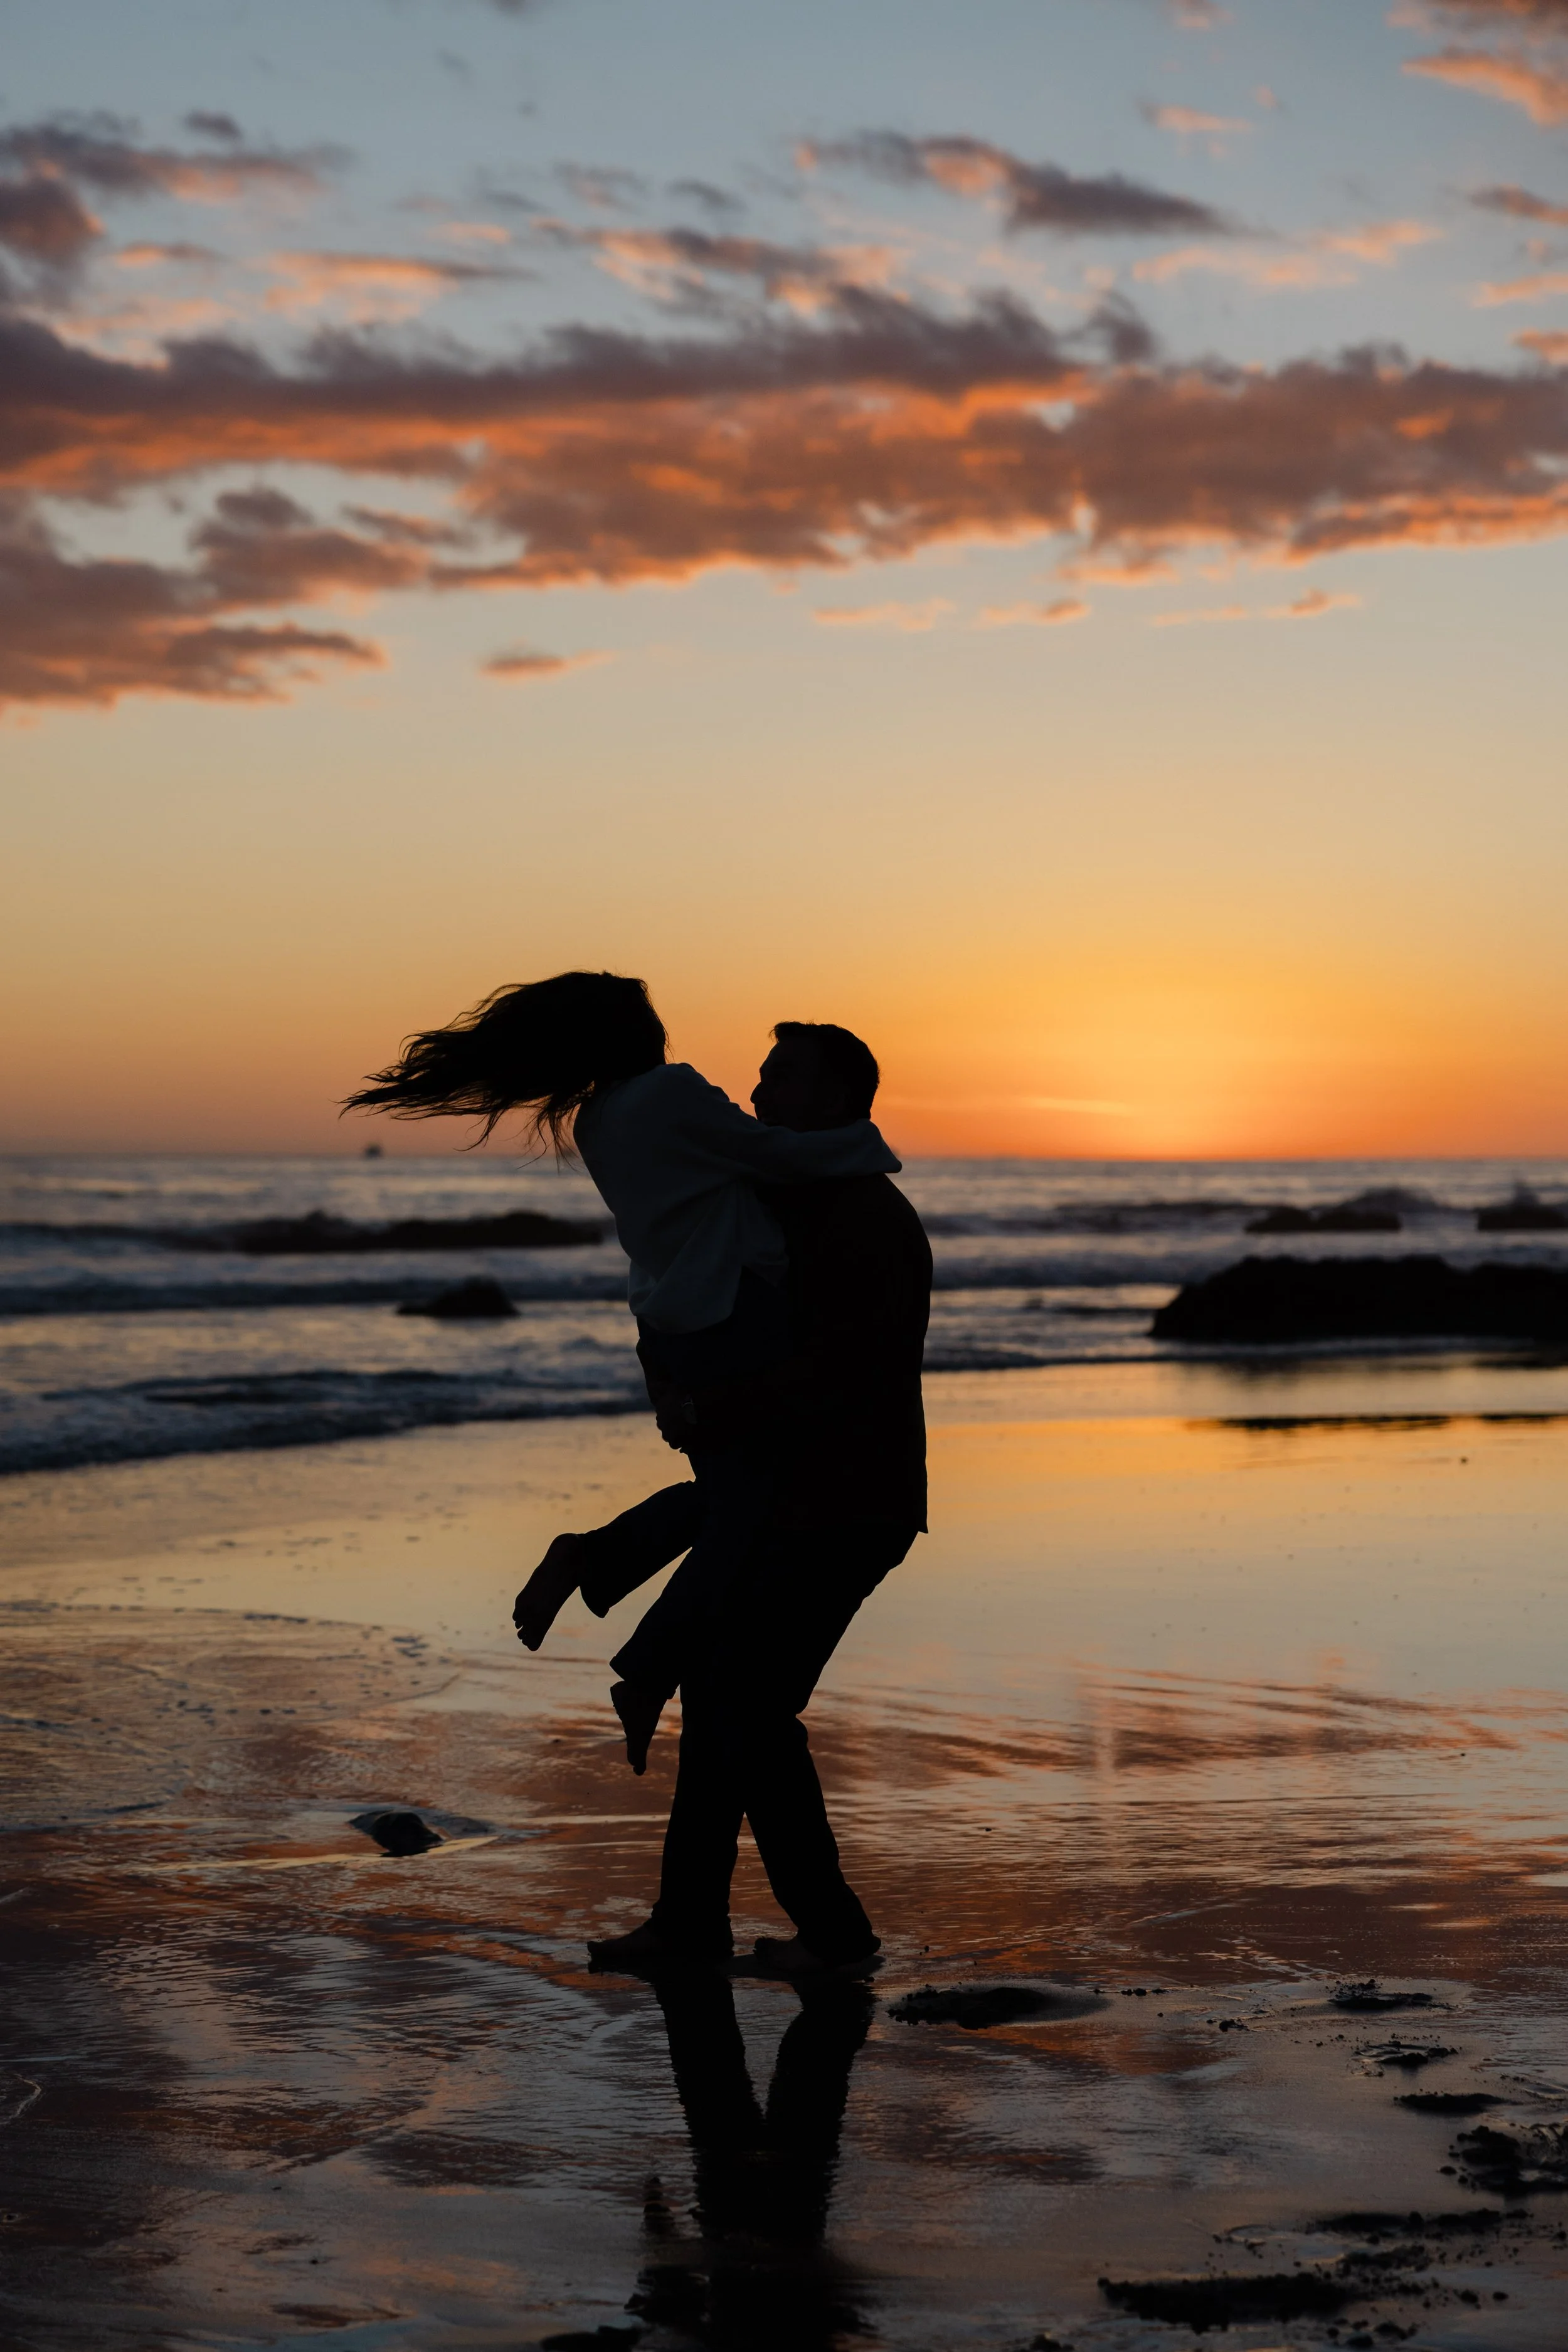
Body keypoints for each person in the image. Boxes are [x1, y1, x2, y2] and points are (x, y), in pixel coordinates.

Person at [347, 973, 899, 1759]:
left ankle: (597, 1567)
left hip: (676, 1324)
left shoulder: (599, 1117)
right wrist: (871, 1151)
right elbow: (769, 1153)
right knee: (752, 1506)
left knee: (733, 1496)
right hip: (730, 1316)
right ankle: (643, 1664)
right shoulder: (668, 1094)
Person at [518, 1022, 933, 1975]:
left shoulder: (864, 1215)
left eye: (777, 1079)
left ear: (835, 1101)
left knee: (740, 1706)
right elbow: (682, 1278)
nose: (754, 1096)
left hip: (848, 1502)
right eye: (756, 1077)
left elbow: (849, 1368)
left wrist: (717, 1401)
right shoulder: (778, 1203)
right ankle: (762, 1924)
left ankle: (759, 1927)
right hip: (793, 1492)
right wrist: (675, 1380)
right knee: (735, 1705)